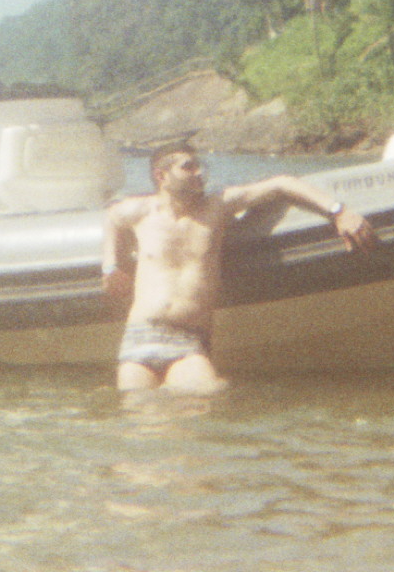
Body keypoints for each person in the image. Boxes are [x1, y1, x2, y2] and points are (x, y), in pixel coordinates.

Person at [101, 140, 376, 392]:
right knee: (138, 421)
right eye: (188, 167)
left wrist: (338, 211)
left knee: (205, 398)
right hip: (140, 334)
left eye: (199, 165)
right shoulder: (140, 212)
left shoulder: (217, 206)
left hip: (187, 339)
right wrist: (110, 266)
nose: (199, 172)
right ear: (162, 176)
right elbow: (112, 218)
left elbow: (281, 184)